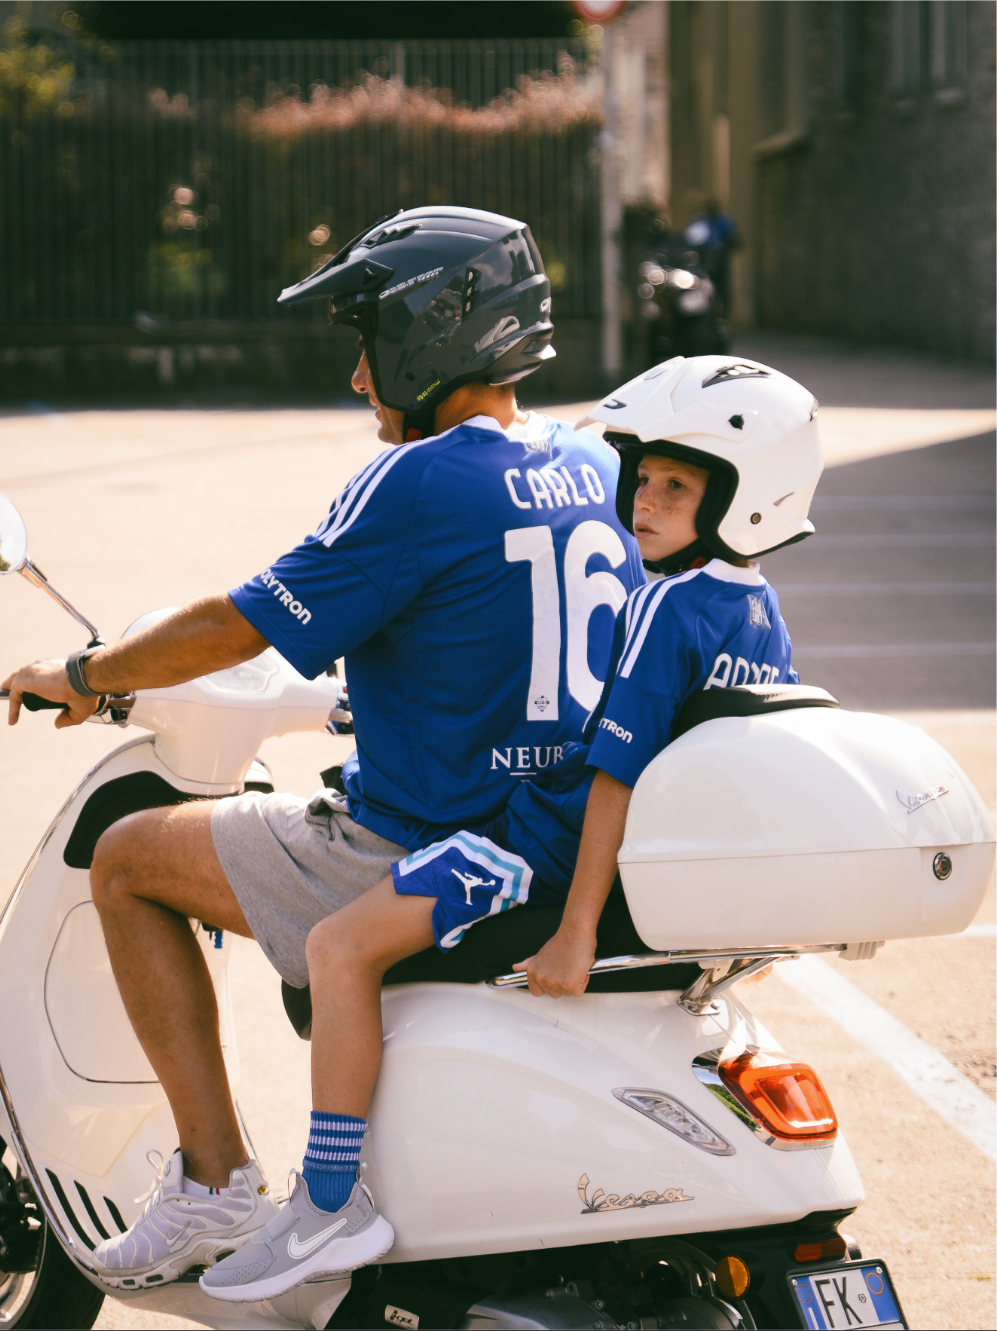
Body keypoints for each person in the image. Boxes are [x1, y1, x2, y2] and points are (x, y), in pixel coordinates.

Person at [0, 206, 643, 1291]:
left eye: (367, 341)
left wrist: (88, 673)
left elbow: (234, 624)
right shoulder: (590, 461)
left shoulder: (418, 478)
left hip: (416, 840)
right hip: (556, 829)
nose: (356, 377)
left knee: (125, 855)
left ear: (436, 334)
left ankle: (213, 1178)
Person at [198, 355, 820, 1302]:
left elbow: (609, 775)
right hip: (639, 865)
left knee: (336, 945)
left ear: (742, 498)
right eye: (642, 478)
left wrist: (574, 929)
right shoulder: (757, 608)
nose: (641, 502)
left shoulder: (664, 606)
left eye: (676, 486)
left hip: (530, 849)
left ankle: (329, 1205)